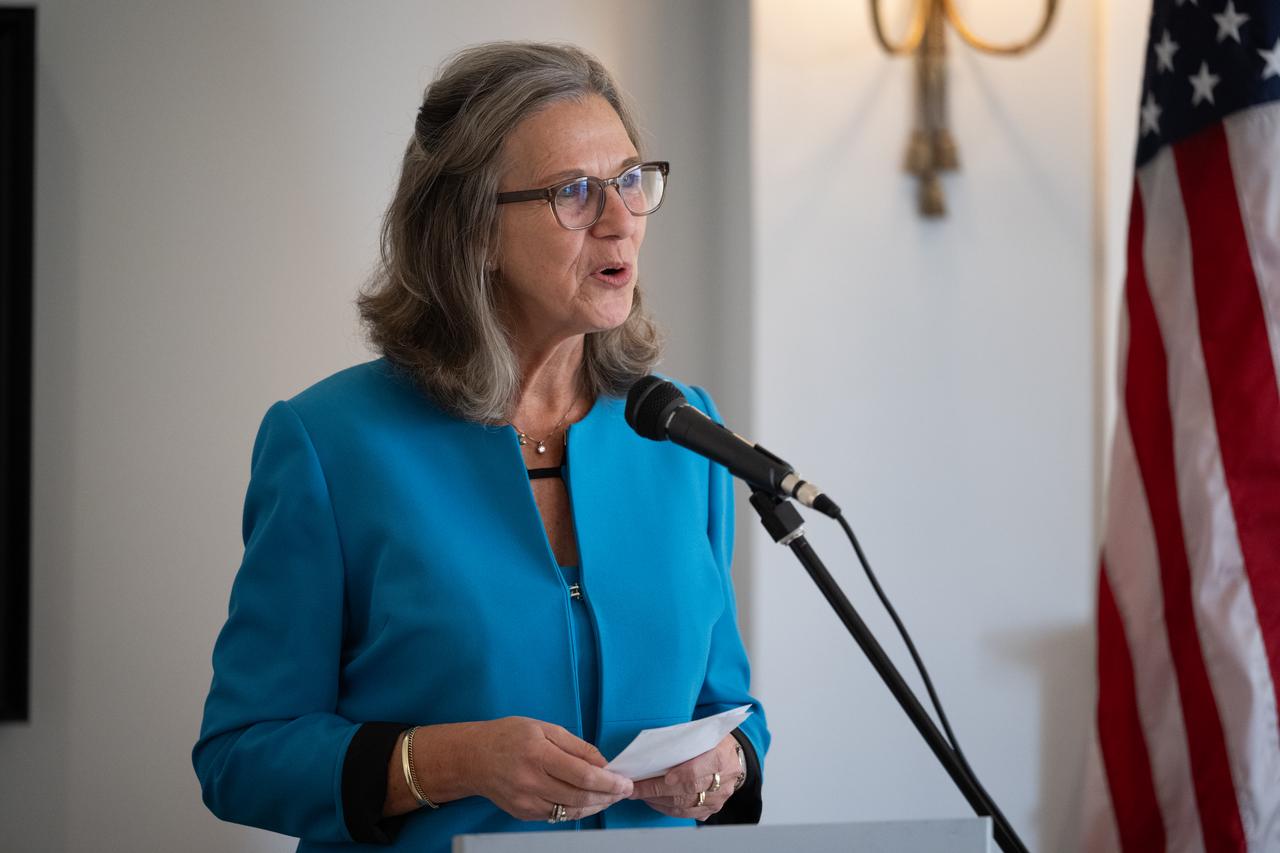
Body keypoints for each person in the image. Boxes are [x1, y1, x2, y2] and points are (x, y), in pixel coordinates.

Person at [193, 41, 768, 852]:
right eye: (575, 192)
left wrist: (726, 765)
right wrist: (452, 759)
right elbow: (241, 754)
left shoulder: (676, 429)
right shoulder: (330, 444)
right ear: (473, 231)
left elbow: (730, 703)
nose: (620, 220)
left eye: (630, 181)